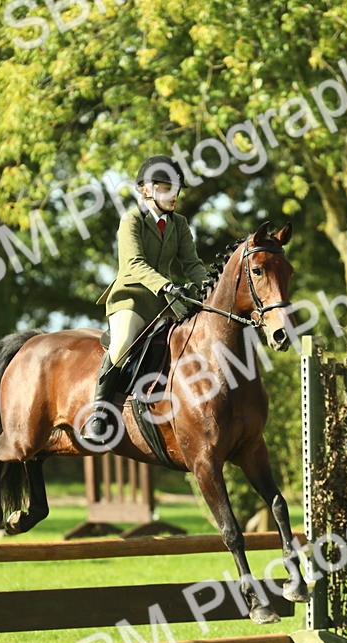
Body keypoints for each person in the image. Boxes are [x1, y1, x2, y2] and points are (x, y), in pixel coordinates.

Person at [86, 155, 208, 442]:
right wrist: (167, 285)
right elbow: (134, 264)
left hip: (165, 302)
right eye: (166, 188)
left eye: (176, 189)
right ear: (146, 190)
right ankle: (98, 414)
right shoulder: (131, 220)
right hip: (132, 298)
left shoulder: (179, 223)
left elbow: (191, 264)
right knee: (121, 344)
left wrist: (208, 287)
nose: (174, 195)